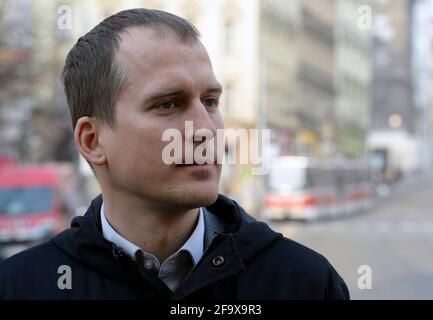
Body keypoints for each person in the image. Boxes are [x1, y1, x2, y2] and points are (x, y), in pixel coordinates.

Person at [0, 8, 349, 300]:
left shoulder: (303, 284)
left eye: (210, 102)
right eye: (168, 104)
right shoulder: (22, 288)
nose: (205, 129)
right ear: (92, 140)